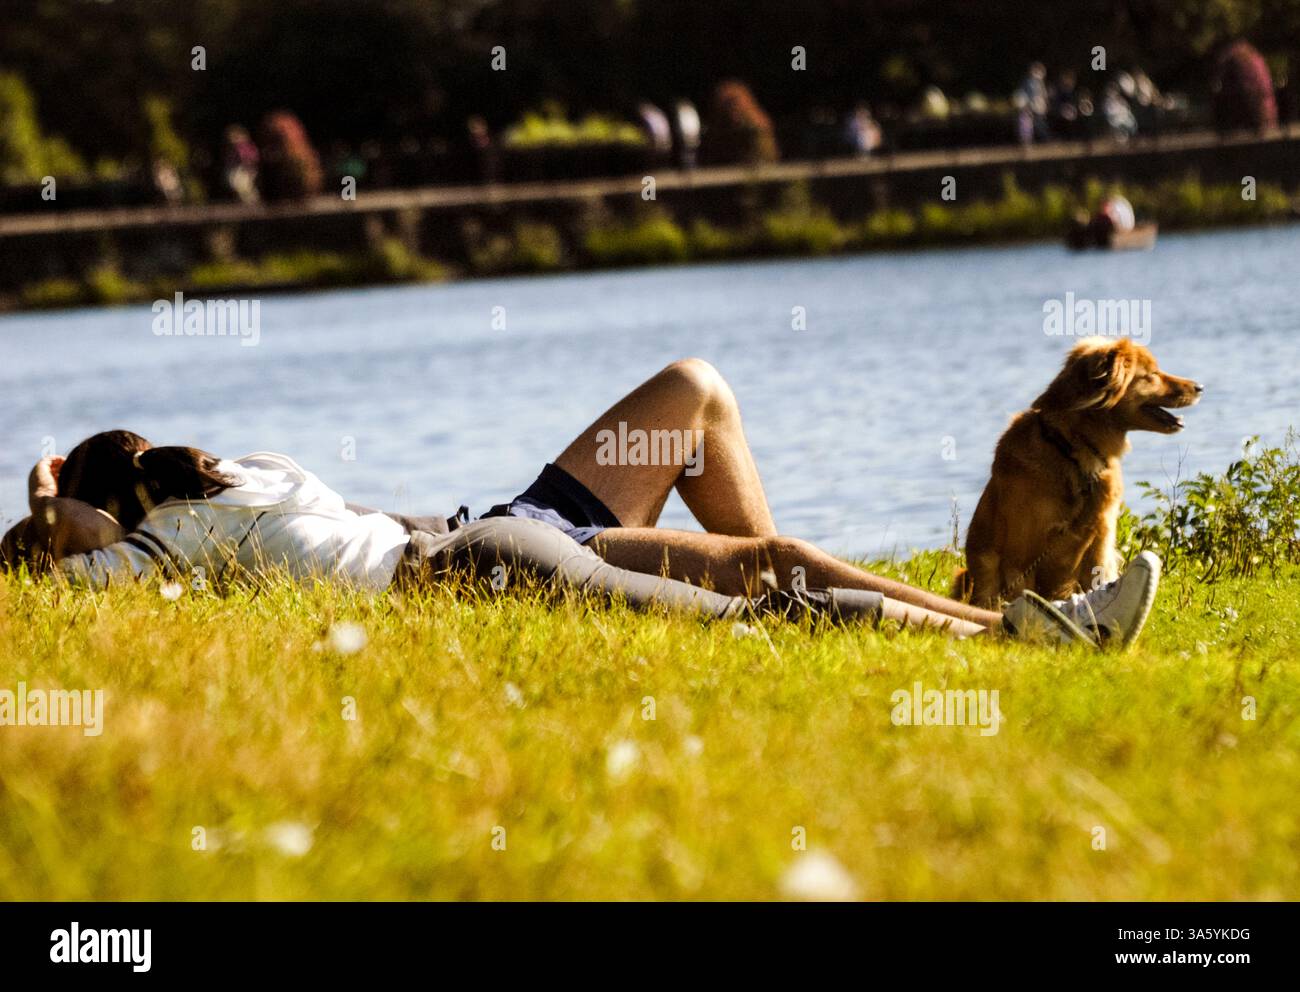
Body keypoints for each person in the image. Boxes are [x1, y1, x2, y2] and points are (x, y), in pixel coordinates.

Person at [1, 360, 1160, 648]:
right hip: (482, 535)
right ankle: (1025, 637)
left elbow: (59, 559)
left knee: (764, 597)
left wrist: (48, 513)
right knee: (769, 569)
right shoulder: (249, 471)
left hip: (486, 550)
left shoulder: (159, 547)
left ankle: (1023, 638)